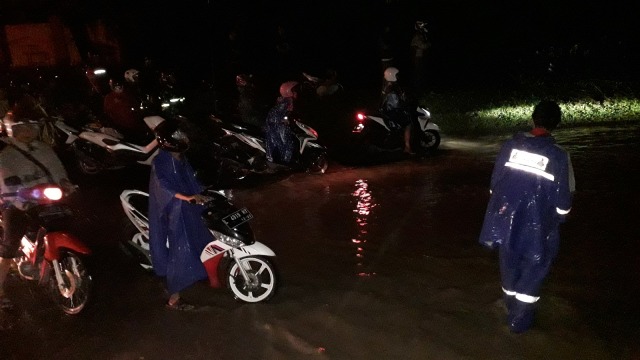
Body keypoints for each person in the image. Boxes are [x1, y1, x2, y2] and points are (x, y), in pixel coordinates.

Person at [478, 100, 575, 333]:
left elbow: (495, 186)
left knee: (509, 267)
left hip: (506, 224)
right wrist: (557, 220)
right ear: (556, 124)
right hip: (539, 228)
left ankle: (509, 311)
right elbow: (563, 204)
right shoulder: (560, 156)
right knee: (534, 271)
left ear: (533, 119)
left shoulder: (510, 146)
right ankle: (518, 326)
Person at [0, 116, 74, 311]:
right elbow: (5, 180)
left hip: (46, 199)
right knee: (10, 245)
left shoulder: (44, 149)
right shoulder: (6, 156)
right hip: (18, 204)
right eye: (23, 127)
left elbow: (58, 170)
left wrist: (65, 184)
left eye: (32, 126)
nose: (28, 131)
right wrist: (17, 196)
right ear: (12, 130)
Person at [147, 118, 213, 311]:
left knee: (200, 239)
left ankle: (198, 273)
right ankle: (174, 297)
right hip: (174, 212)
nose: (183, 137)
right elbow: (163, 187)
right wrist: (186, 197)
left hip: (189, 207)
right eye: (178, 135)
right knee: (180, 250)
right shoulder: (161, 161)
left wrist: (203, 193)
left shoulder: (180, 158)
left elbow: (192, 180)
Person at [102, 78, 148, 143]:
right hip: (121, 126)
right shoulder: (109, 98)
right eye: (116, 87)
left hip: (135, 124)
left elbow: (136, 105)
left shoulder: (128, 94)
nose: (118, 89)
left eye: (119, 87)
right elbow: (107, 112)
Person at [380, 67, 413, 154]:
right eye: (396, 75)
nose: (398, 77)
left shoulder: (387, 86)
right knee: (408, 124)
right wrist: (404, 105)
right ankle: (407, 147)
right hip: (393, 111)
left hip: (387, 111)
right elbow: (396, 103)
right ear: (392, 75)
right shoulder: (393, 87)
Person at [265, 81, 298, 164]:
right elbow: (283, 115)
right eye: (294, 90)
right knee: (287, 144)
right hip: (278, 125)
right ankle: (286, 163)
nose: (296, 92)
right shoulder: (288, 101)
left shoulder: (283, 100)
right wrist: (285, 120)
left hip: (274, 124)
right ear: (289, 91)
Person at [409, 21, 431, 92]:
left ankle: (420, 88)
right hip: (417, 57)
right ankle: (417, 89)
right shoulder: (417, 35)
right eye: (422, 26)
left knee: (421, 72)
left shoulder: (421, 34)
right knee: (418, 73)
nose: (423, 27)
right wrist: (429, 43)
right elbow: (423, 46)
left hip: (420, 56)